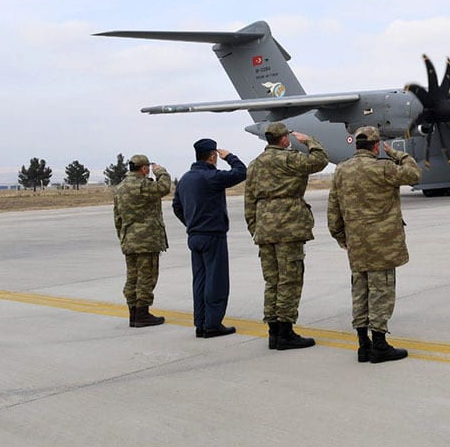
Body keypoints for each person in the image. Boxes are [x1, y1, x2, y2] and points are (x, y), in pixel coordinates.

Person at [327, 126, 421, 363]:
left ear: (356, 145)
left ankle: (363, 345)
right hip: (383, 243)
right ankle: (379, 345)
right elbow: (413, 174)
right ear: (376, 146)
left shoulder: (341, 170)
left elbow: (333, 208)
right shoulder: (384, 168)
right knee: (381, 291)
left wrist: (341, 236)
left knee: (360, 291)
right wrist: (398, 154)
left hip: (357, 243)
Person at [245, 121, 329, 350]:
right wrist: (309, 141)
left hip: (264, 228)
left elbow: (249, 201)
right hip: (288, 227)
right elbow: (320, 160)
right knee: (290, 279)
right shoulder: (290, 159)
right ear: (284, 139)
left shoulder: (254, 165)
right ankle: (285, 331)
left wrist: (255, 228)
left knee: (272, 281)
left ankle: (273, 331)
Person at [172, 138, 247, 338]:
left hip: (194, 235)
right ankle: (212, 324)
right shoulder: (211, 176)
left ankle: (201, 323)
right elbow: (241, 172)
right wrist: (229, 157)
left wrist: (191, 224)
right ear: (212, 156)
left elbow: (176, 207)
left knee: (200, 281)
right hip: (212, 235)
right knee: (217, 281)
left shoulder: (186, 179)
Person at [113, 154, 171, 328]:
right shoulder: (143, 184)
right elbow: (164, 187)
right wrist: (161, 172)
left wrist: (123, 236)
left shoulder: (120, 187)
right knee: (146, 276)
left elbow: (117, 217)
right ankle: (142, 314)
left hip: (129, 238)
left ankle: (133, 313)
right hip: (146, 239)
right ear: (144, 168)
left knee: (132, 277)